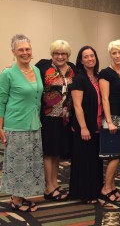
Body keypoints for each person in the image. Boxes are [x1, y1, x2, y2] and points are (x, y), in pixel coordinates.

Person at [0, 34, 44, 212]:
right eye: (21, 50)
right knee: (17, 163)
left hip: (34, 124)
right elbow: (1, 100)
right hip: (15, 125)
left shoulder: (37, 70)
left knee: (30, 162)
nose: (25, 52)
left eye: (27, 49)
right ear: (13, 52)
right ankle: (16, 199)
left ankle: (22, 194)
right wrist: (0, 127)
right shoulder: (8, 73)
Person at [35, 40, 76, 201]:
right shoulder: (44, 67)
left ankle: (55, 182)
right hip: (49, 116)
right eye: (57, 53)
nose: (60, 56)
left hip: (66, 117)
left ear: (68, 55)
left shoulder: (72, 68)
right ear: (52, 54)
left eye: (63, 53)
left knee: (57, 151)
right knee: (49, 152)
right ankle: (49, 187)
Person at [69, 46, 103, 203]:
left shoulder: (97, 77)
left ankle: (95, 190)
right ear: (81, 60)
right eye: (86, 56)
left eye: (92, 56)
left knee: (95, 161)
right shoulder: (79, 78)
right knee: (84, 161)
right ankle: (84, 193)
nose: (90, 59)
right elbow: (77, 105)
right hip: (85, 126)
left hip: (97, 125)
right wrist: (83, 127)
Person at [98, 39, 120, 202]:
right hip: (112, 118)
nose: (117, 55)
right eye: (113, 53)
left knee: (117, 155)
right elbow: (105, 98)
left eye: (119, 52)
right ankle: (106, 188)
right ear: (110, 54)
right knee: (115, 155)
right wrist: (109, 121)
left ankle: (112, 185)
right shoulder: (105, 73)